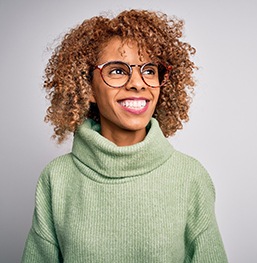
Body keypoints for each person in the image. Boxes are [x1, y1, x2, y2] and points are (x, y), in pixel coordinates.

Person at [22, 9, 228, 263]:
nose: (138, 83)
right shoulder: (56, 179)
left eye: (149, 70)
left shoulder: (190, 176)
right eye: (117, 71)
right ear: (88, 89)